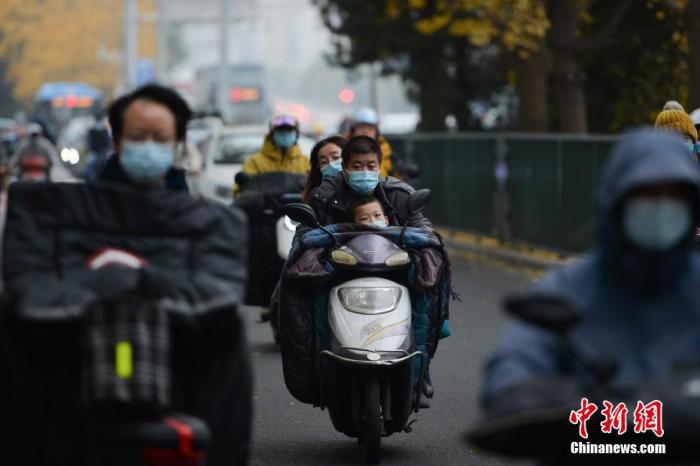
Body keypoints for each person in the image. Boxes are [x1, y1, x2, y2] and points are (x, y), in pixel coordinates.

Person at [481, 129, 700, 422]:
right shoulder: (564, 290)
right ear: (615, 204)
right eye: (645, 197)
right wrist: (533, 395)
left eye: (673, 198)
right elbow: (515, 362)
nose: (660, 209)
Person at [308, 135, 431, 229]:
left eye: (371, 166)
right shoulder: (323, 197)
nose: (365, 171)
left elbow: (425, 233)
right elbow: (305, 238)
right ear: (344, 169)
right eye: (357, 166)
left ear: (379, 167)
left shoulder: (398, 195)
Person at [98, 84, 191, 192]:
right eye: (137, 137)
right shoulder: (89, 204)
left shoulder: (188, 205)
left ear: (176, 143)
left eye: (161, 138)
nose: (149, 148)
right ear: (117, 142)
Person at [234, 114, 310, 195]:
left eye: (289, 131)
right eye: (281, 131)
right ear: (272, 135)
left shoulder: (306, 163)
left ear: (296, 135)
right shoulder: (254, 162)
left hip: (297, 207)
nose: (285, 134)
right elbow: (239, 191)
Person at [347, 107, 394, 177]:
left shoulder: (387, 152)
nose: (365, 131)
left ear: (376, 132)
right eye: (361, 127)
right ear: (353, 131)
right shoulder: (341, 148)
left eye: (370, 128)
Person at [302, 134, 346, 201]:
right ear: (318, 168)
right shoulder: (316, 196)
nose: (331, 164)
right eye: (323, 162)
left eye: (336, 157)